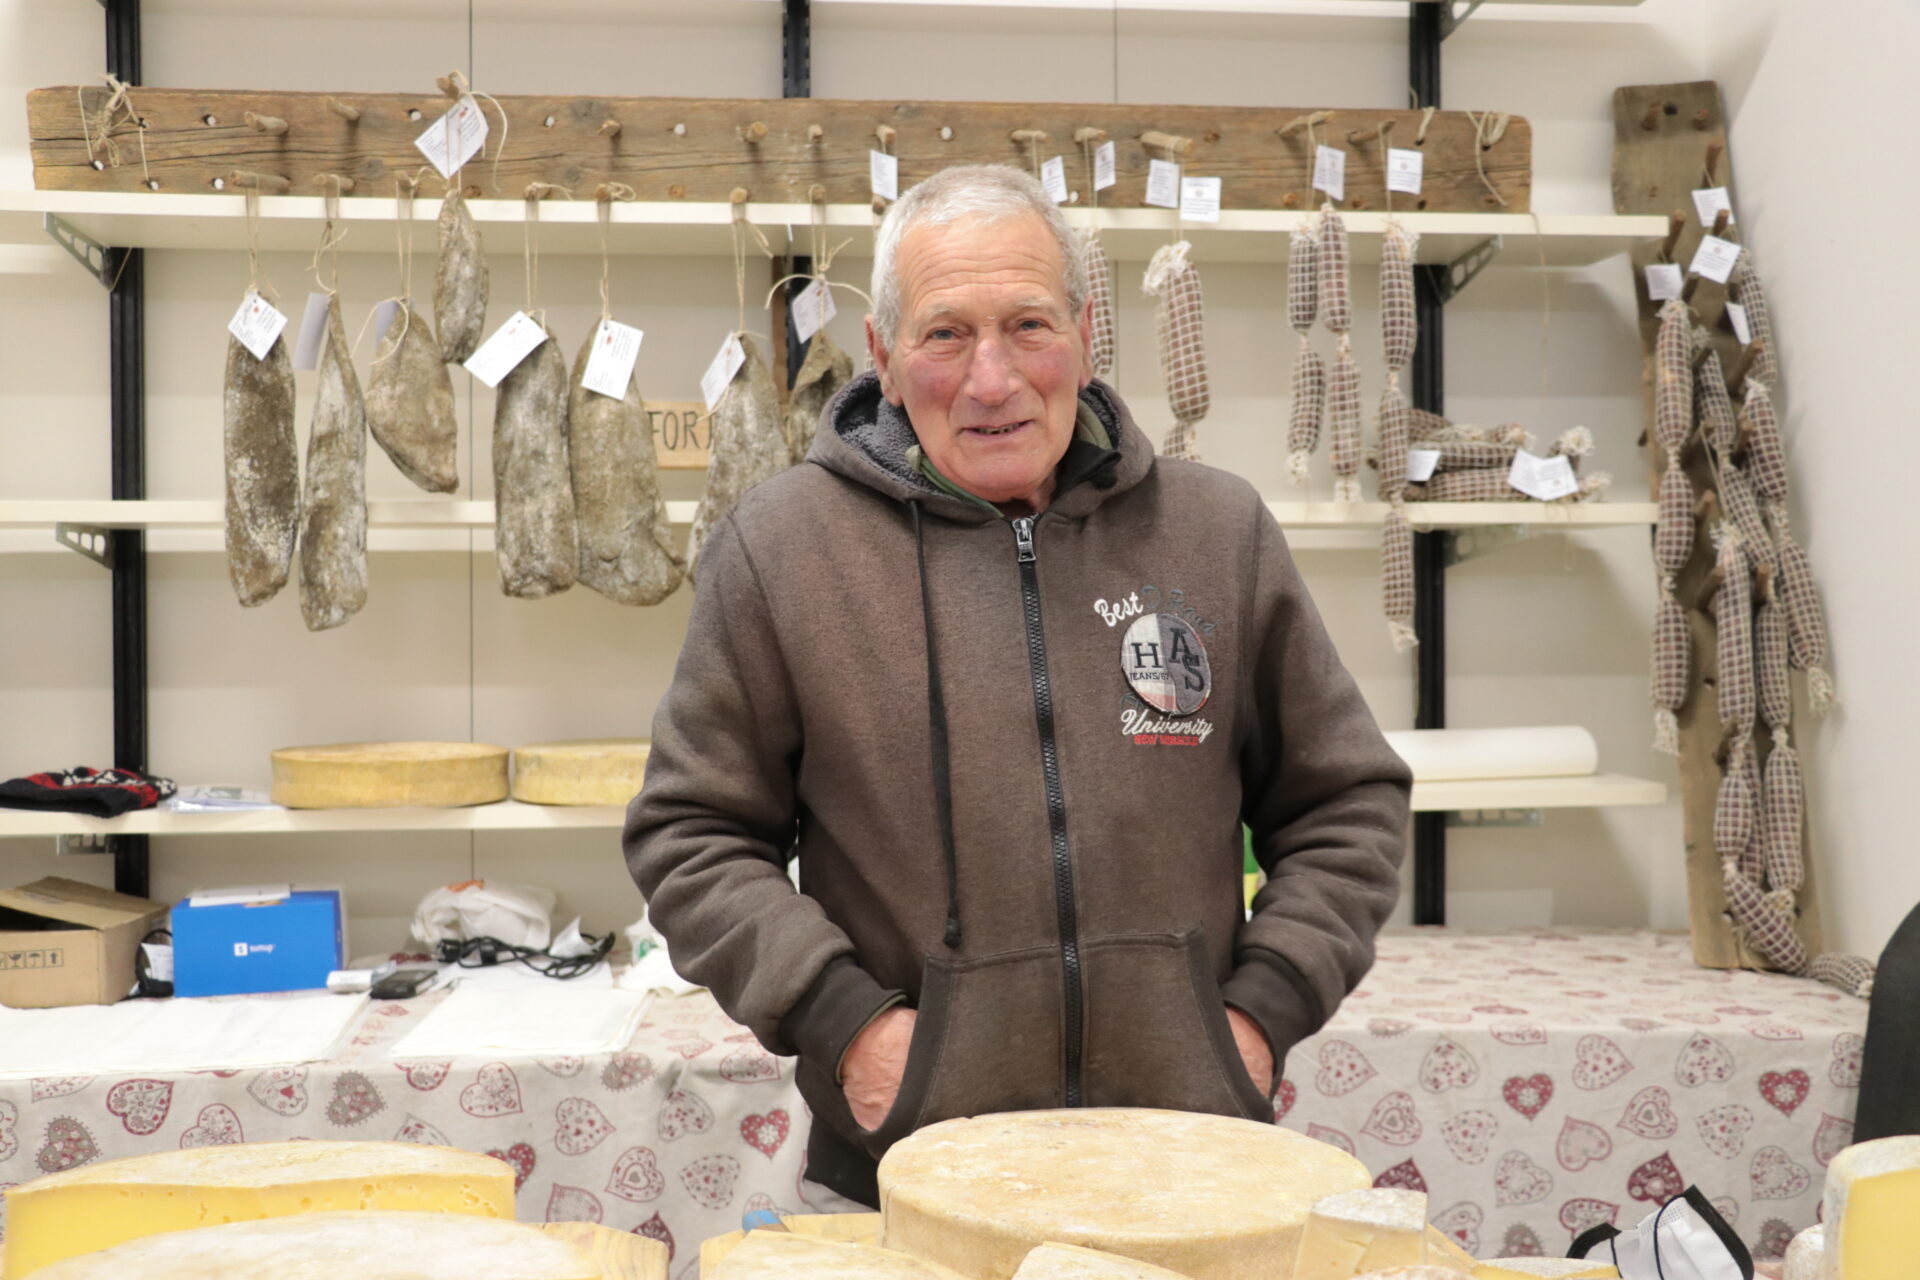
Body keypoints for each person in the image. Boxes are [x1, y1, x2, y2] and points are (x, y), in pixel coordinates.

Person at [623, 163, 1411, 1209]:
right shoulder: (783, 550)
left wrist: (1262, 1011)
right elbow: (692, 834)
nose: (992, 380)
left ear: (1084, 336)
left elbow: (1346, 802)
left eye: (1028, 325)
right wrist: (849, 1028)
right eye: (946, 334)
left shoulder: (1217, 533)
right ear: (884, 359)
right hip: (902, 1176)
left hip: (1189, 1164)